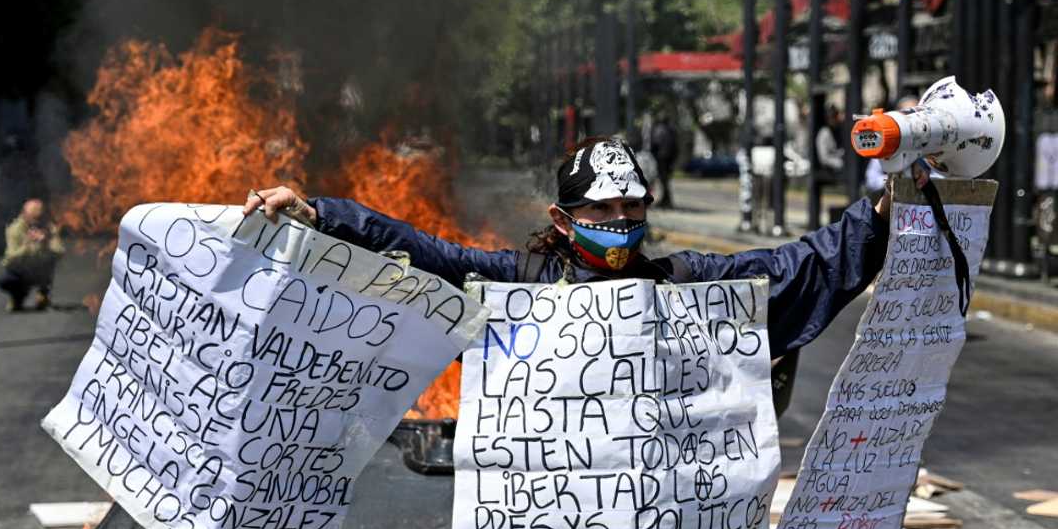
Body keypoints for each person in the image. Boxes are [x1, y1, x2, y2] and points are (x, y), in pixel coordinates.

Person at [245, 135, 927, 357]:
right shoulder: (520, 284)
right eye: (603, 208)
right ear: (564, 218)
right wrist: (322, 215)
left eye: (632, 206)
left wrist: (881, 209)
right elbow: (427, 256)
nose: (621, 218)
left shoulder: (686, 284)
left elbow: (794, 269)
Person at [0, 198, 64, 311]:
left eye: (39, 218)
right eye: (32, 218)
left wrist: (45, 243)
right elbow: (11, 257)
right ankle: (18, 294)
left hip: (40, 271)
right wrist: (28, 245)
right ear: (24, 215)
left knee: (49, 260)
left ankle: (43, 293)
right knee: (3, 280)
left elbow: (60, 251)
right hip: (20, 270)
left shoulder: (49, 228)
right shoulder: (14, 229)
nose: (35, 222)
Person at [650, 114, 679, 208]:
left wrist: (653, 154)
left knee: (663, 180)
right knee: (665, 180)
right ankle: (666, 200)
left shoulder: (660, 129)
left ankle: (667, 201)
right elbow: (676, 147)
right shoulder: (672, 130)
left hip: (662, 158)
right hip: (670, 158)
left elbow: (655, 143)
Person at [815, 104, 846, 180]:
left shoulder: (837, 130)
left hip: (839, 163)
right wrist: (840, 163)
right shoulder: (824, 133)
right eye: (834, 117)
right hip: (829, 169)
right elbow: (824, 158)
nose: (837, 119)